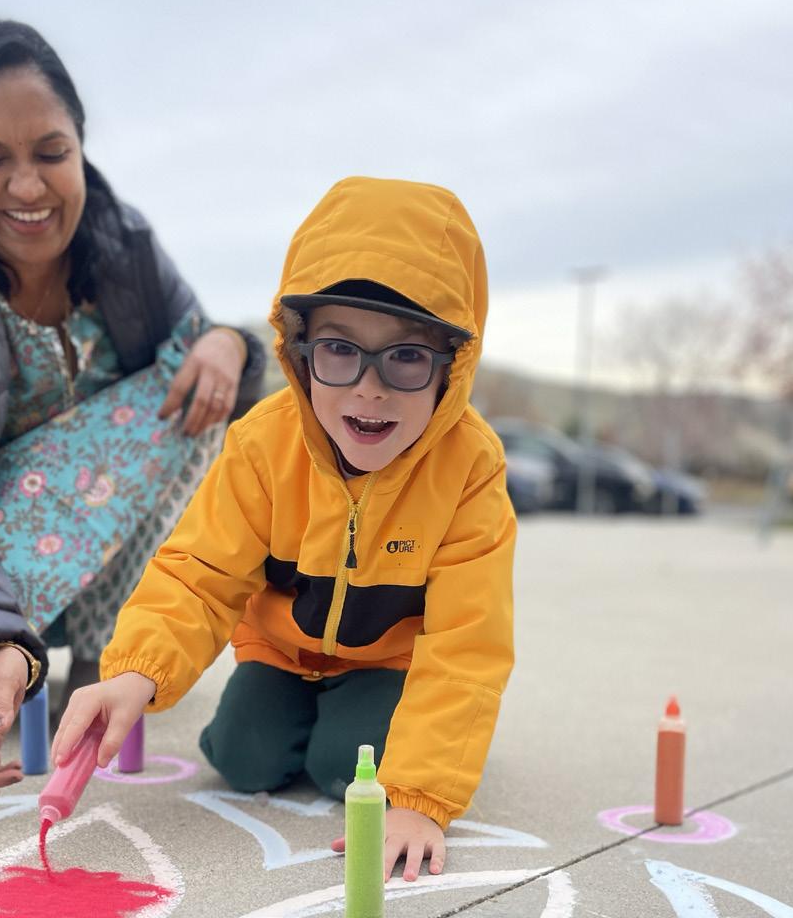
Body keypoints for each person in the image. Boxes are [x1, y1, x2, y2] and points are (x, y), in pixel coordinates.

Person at [52, 176, 515, 881]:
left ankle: (359, 725)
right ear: (299, 352)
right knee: (241, 757)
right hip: (280, 650)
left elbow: (466, 643)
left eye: (406, 357)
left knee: (345, 767)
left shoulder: (469, 467)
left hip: (386, 661)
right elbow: (198, 574)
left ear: (452, 367)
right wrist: (137, 673)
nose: (369, 387)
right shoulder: (262, 445)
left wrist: (421, 798)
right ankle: (303, 711)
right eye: (339, 350)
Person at [0, 19, 264, 770]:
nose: (29, 187)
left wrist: (232, 343)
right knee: (178, 386)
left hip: (60, 565)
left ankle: (108, 659)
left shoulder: (123, 243)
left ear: (80, 146)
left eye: (51, 153)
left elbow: (203, 354)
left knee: (196, 380)